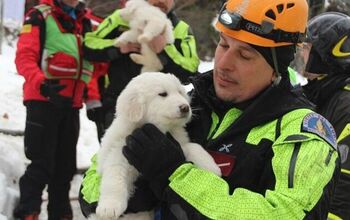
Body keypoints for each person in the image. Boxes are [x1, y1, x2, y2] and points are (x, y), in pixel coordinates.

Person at [121, 0, 341, 219]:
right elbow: (97, 178)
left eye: (244, 55)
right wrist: (120, 193)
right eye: (223, 44)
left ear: (276, 67)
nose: (224, 63)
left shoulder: (303, 132)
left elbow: (286, 213)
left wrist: (175, 176)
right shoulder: (185, 103)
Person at [14, 0, 94, 219]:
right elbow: (24, 58)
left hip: (71, 105)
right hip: (43, 101)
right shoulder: (39, 16)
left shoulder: (85, 21)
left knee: (65, 167)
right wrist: (42, 84)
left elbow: (93, 64)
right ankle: (28, 211)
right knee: (41, 163)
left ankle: (60, 213)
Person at [82, 0, 200, 138]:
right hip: (117, 104)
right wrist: (119, 46)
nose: (162, 1)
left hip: (165, 113)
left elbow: (192, 71)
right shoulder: (121, 18)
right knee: (113, 154)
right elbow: (88, 46)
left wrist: (165, 50)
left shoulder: (180, 29)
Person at [301, 12, 350, 220]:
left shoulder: (345, 105)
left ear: (324, 56)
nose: (301, 53)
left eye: (307, 48)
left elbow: (345, 180)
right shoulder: (320, 92)